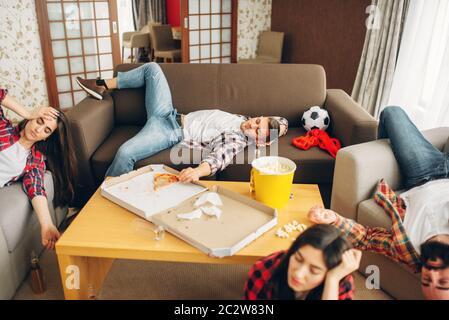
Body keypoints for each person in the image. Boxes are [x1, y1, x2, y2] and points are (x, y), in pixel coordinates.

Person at [308, 106, 449, 300]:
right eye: (443, 282)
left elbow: (366, 238)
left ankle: (378, 157)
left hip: (422, 175)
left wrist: (334, 218)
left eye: (426, 282)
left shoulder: (407, 249)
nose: (431, 274)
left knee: (392, 113)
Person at [75, 62, 288, 182]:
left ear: (260, 142)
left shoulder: (236, 139)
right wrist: (280, 125)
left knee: (125, 153)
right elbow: (279, 123)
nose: (252, 125)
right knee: (152, 69)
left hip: (170, 131)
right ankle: (101, 85)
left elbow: (219, 158)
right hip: (168, 112)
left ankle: (103, 201)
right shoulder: (242, 120)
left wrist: (197, 171)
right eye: (258, 120)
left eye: (257, 130)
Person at [0, 89, 77, 250]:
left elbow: (35, 188)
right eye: (39, 121)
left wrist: (47, 224)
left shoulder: (34, 160)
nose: (38, 130)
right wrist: (27, 112)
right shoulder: (4, 129)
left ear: (47, 137)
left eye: (46, 130)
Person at [244, 224, 362, 300]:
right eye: (298, 259)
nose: (298, 273)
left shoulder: (340, 282)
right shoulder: (263, 270)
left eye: (314, 270)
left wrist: (332, 280)